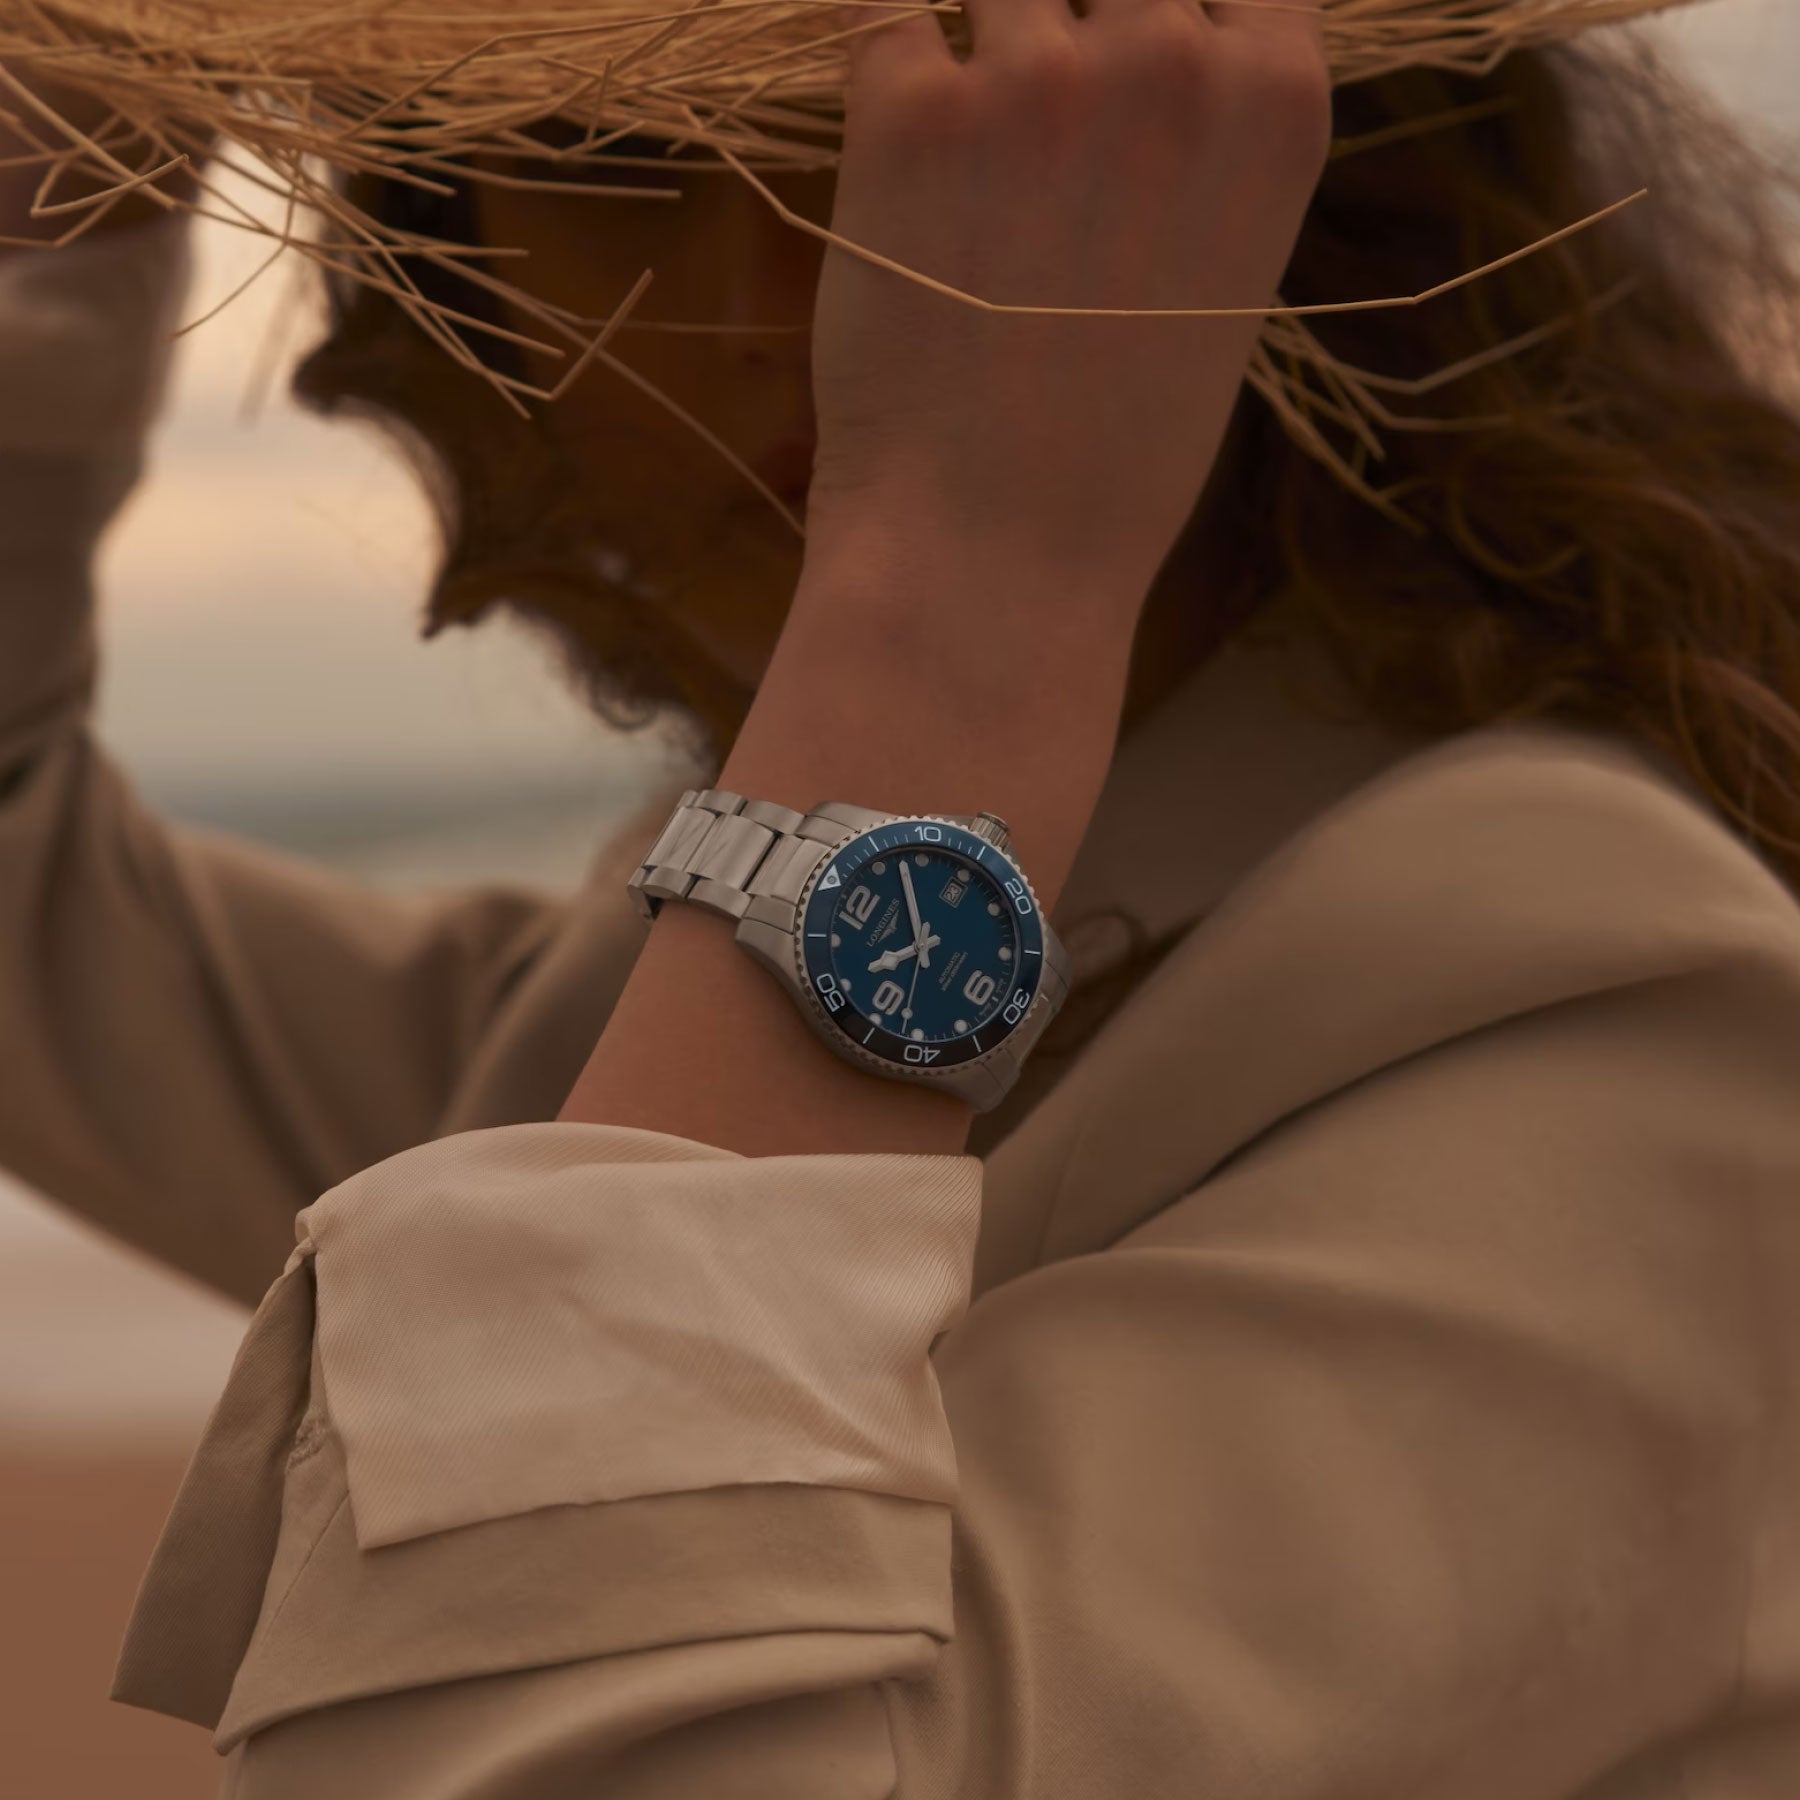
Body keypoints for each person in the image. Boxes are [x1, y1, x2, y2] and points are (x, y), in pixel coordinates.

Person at [2, 0, 1799, 1791]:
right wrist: (56, 243)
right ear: (459, 294)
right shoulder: (616, 1021)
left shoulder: (1600, 1013)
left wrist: (964, 607)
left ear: (1268, 184)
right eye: (610, 157)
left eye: (947, 143)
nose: (791, 293)